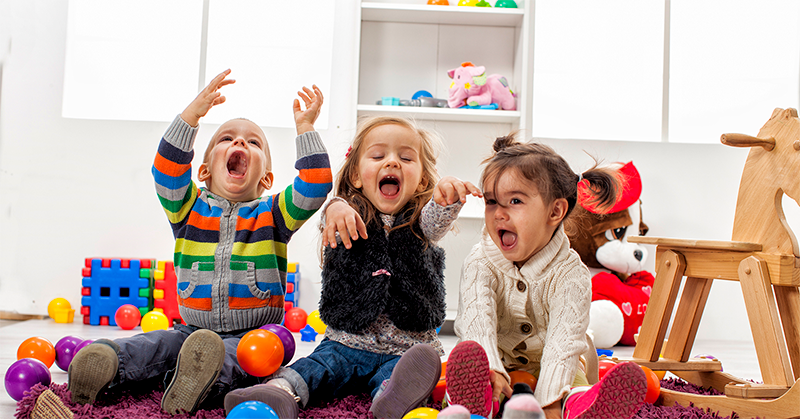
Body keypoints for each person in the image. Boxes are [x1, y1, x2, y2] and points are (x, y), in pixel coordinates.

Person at [65, 69, 333, 415]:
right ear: (204, 170)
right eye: (227, 139)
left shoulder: (274, 213)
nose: (239, 143)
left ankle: (196, 382)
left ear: (266, 178)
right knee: (157, 344)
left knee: (245, 360)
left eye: (253, 142)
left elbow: (315, 185)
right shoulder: (187, 207)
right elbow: (166, 169)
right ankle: (109, 363)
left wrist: (306, 129)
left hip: (254, 333)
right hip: (191, 328)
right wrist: (192, 116)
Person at [223, 116, 482, 419]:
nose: (393, 163)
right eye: (378, 155)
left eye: (406, 157)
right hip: (345, 342)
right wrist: (335, 207)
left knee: (403, 374)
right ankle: (278, 392)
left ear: (423, 180)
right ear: (357, 175)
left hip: (405, 348)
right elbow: (331, 219)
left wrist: (446, 199)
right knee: (314, 368)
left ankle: (392, 397)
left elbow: (435, 219)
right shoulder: (346, 214)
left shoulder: (419, 222)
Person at [447, 135, 648, 419]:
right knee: (471, 360)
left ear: (555, 211)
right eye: (491, 202)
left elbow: (563, 345)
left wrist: (549, 402)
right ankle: (478, 403)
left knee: (572, 387)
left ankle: (582, 406)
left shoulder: (571, 273)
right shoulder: (480, 261)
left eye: (514, 201)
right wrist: (491, 367)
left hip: (556, 364)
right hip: (498, 359)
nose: (498, 214)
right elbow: (477, 320)